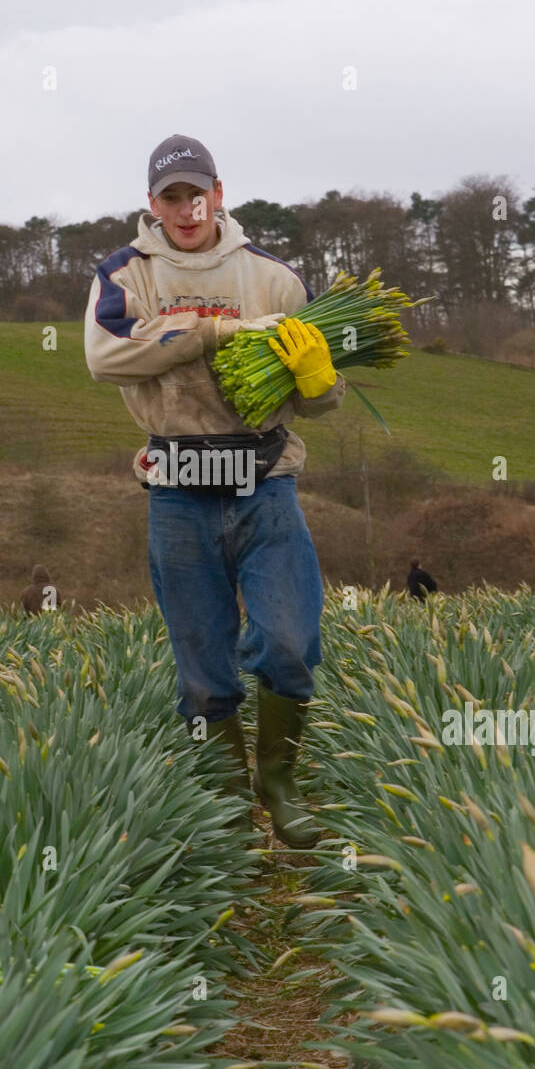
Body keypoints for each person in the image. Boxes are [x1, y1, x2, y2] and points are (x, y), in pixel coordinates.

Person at [84, 134, 346, 848]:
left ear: (219, 193)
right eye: (171, 196)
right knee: (202, 667)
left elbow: (323, 395)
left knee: (290, 641)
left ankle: (280, 785)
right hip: (178, 489)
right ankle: (228, 801)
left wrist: (324, 386)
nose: (186, 206)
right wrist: (208, 330)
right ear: (153, 204)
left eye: (196, 192)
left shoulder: (277, 278)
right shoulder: (125, 275)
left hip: (265, 484)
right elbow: (106, 355)